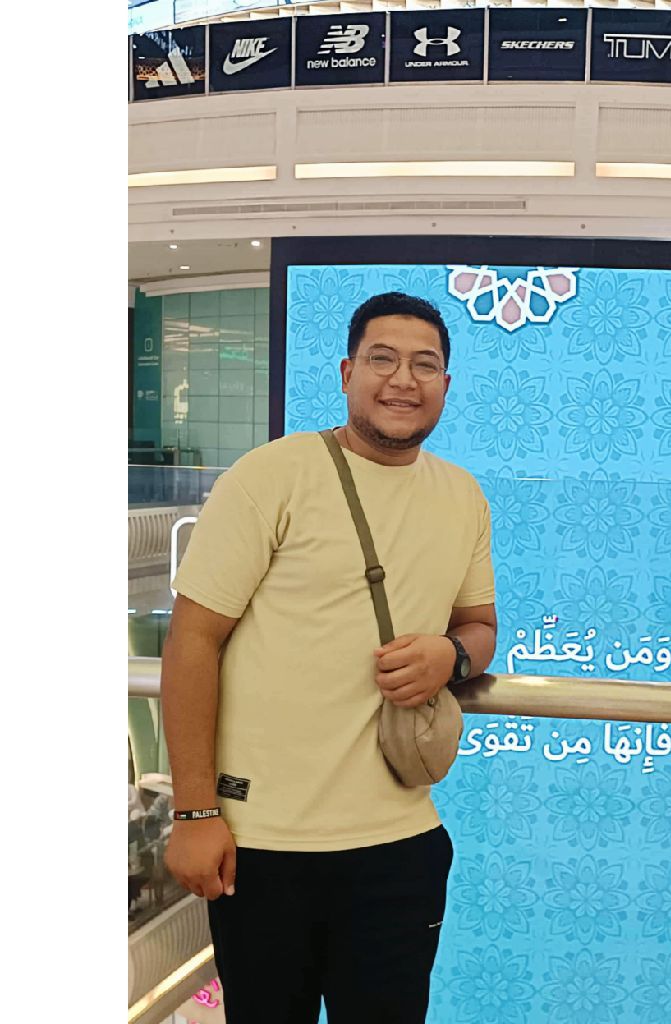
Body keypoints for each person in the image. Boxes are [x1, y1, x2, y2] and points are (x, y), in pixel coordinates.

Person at [162, 291, 497, 1023]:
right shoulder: (271, 476)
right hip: (261, 846)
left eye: (424, 365)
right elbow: (192, 640)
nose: (403, 379)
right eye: (382, 359)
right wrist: (194, 812)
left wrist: (450, 657)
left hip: (402, 843)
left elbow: (479, 627)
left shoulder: (462, 495)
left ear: (446, 384)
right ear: (348, 373)